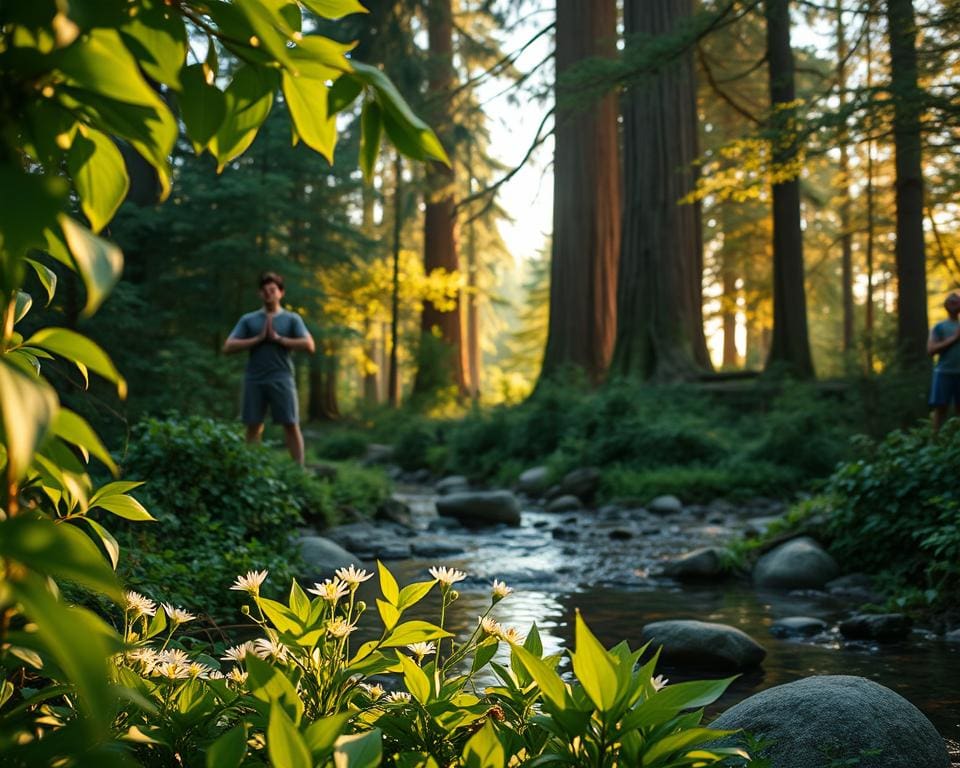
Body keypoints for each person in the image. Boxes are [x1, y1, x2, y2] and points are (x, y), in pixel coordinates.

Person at [223, 272, 315, 464]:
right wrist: (257, 340)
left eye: (272, 290)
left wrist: (279, 339)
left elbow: (309, 345)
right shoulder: (248, 320)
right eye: (264, 290)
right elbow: (228, 347)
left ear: (281, 293)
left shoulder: (292, 319)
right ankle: (251, 468)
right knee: (253, 425)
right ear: (259, 294)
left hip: (282, 377)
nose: (268, 294)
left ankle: (299, 471)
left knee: (291, 423)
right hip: (254, 378)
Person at [927, 292, 960, 433]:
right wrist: (955, 338)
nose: (955, 303)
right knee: (940, 410)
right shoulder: (939, 327)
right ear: (946, 305)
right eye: (951, 301)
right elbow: (931, 350)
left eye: (957, 301)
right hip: (944, 373)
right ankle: (936, 444)